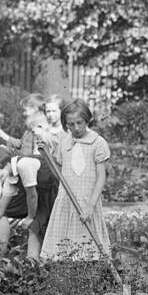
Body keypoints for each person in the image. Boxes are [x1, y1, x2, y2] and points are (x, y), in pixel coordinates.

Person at [40, 100, 111, 261]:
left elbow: (101, 177)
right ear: (66, 124)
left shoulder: (97, 143)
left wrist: (90, 206)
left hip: (87, 201)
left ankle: (90, 280)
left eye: (79, 123)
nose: (76, 128)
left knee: (89, 249)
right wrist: (46, 155)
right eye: (71, 124)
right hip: (66, 201)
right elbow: (59, 173)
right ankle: (67, 281)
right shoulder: (65, 142)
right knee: (63, 251)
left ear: (87, 120)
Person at [0, 145, 58, 260]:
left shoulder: (23, 165)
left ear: (2, 160)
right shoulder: (11, 178)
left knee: (51, 232)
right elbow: (0, 208)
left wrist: (30, 217)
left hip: (56, 192)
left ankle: (51, 265)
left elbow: (32, 195)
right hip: (43, 198)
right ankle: (32, 265)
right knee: (34, 229)